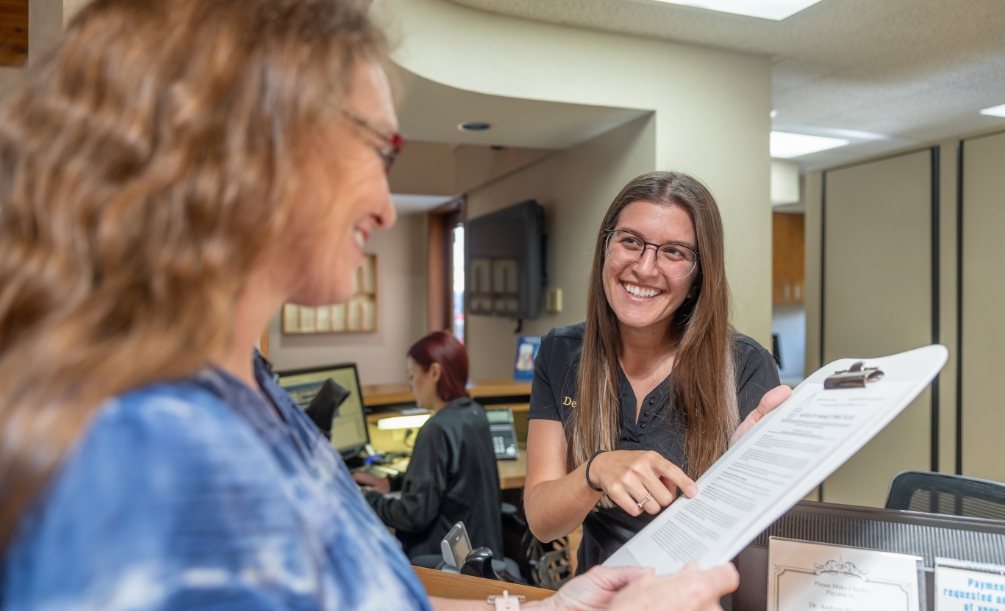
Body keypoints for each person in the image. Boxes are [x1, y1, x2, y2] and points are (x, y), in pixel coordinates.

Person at [0, 1, 742, 609]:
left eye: (673, 252)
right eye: (376, 149)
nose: (387, 208)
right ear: (249, 145)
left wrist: (551, 610)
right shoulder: (139, 451)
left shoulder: (251, 391)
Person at [524, 171, 793, 572]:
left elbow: (763, 541)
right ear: (606, 247)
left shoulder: (746, 366)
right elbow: (543, 522)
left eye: (674, 252)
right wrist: (595, 471)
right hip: (601, 598)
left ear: (699, 277)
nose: (645, 268)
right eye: (631, 242)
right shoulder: (561, 353)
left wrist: (734, 476)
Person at [353, 331, 504, 566]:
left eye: (412, 376)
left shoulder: (436, 429)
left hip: (444, 558)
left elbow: (413, 515)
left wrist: (367, 498)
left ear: (434, 373)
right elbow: (448, 482)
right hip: (479, 549)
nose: (411, 386)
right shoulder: (475, 413)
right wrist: (391, 484)